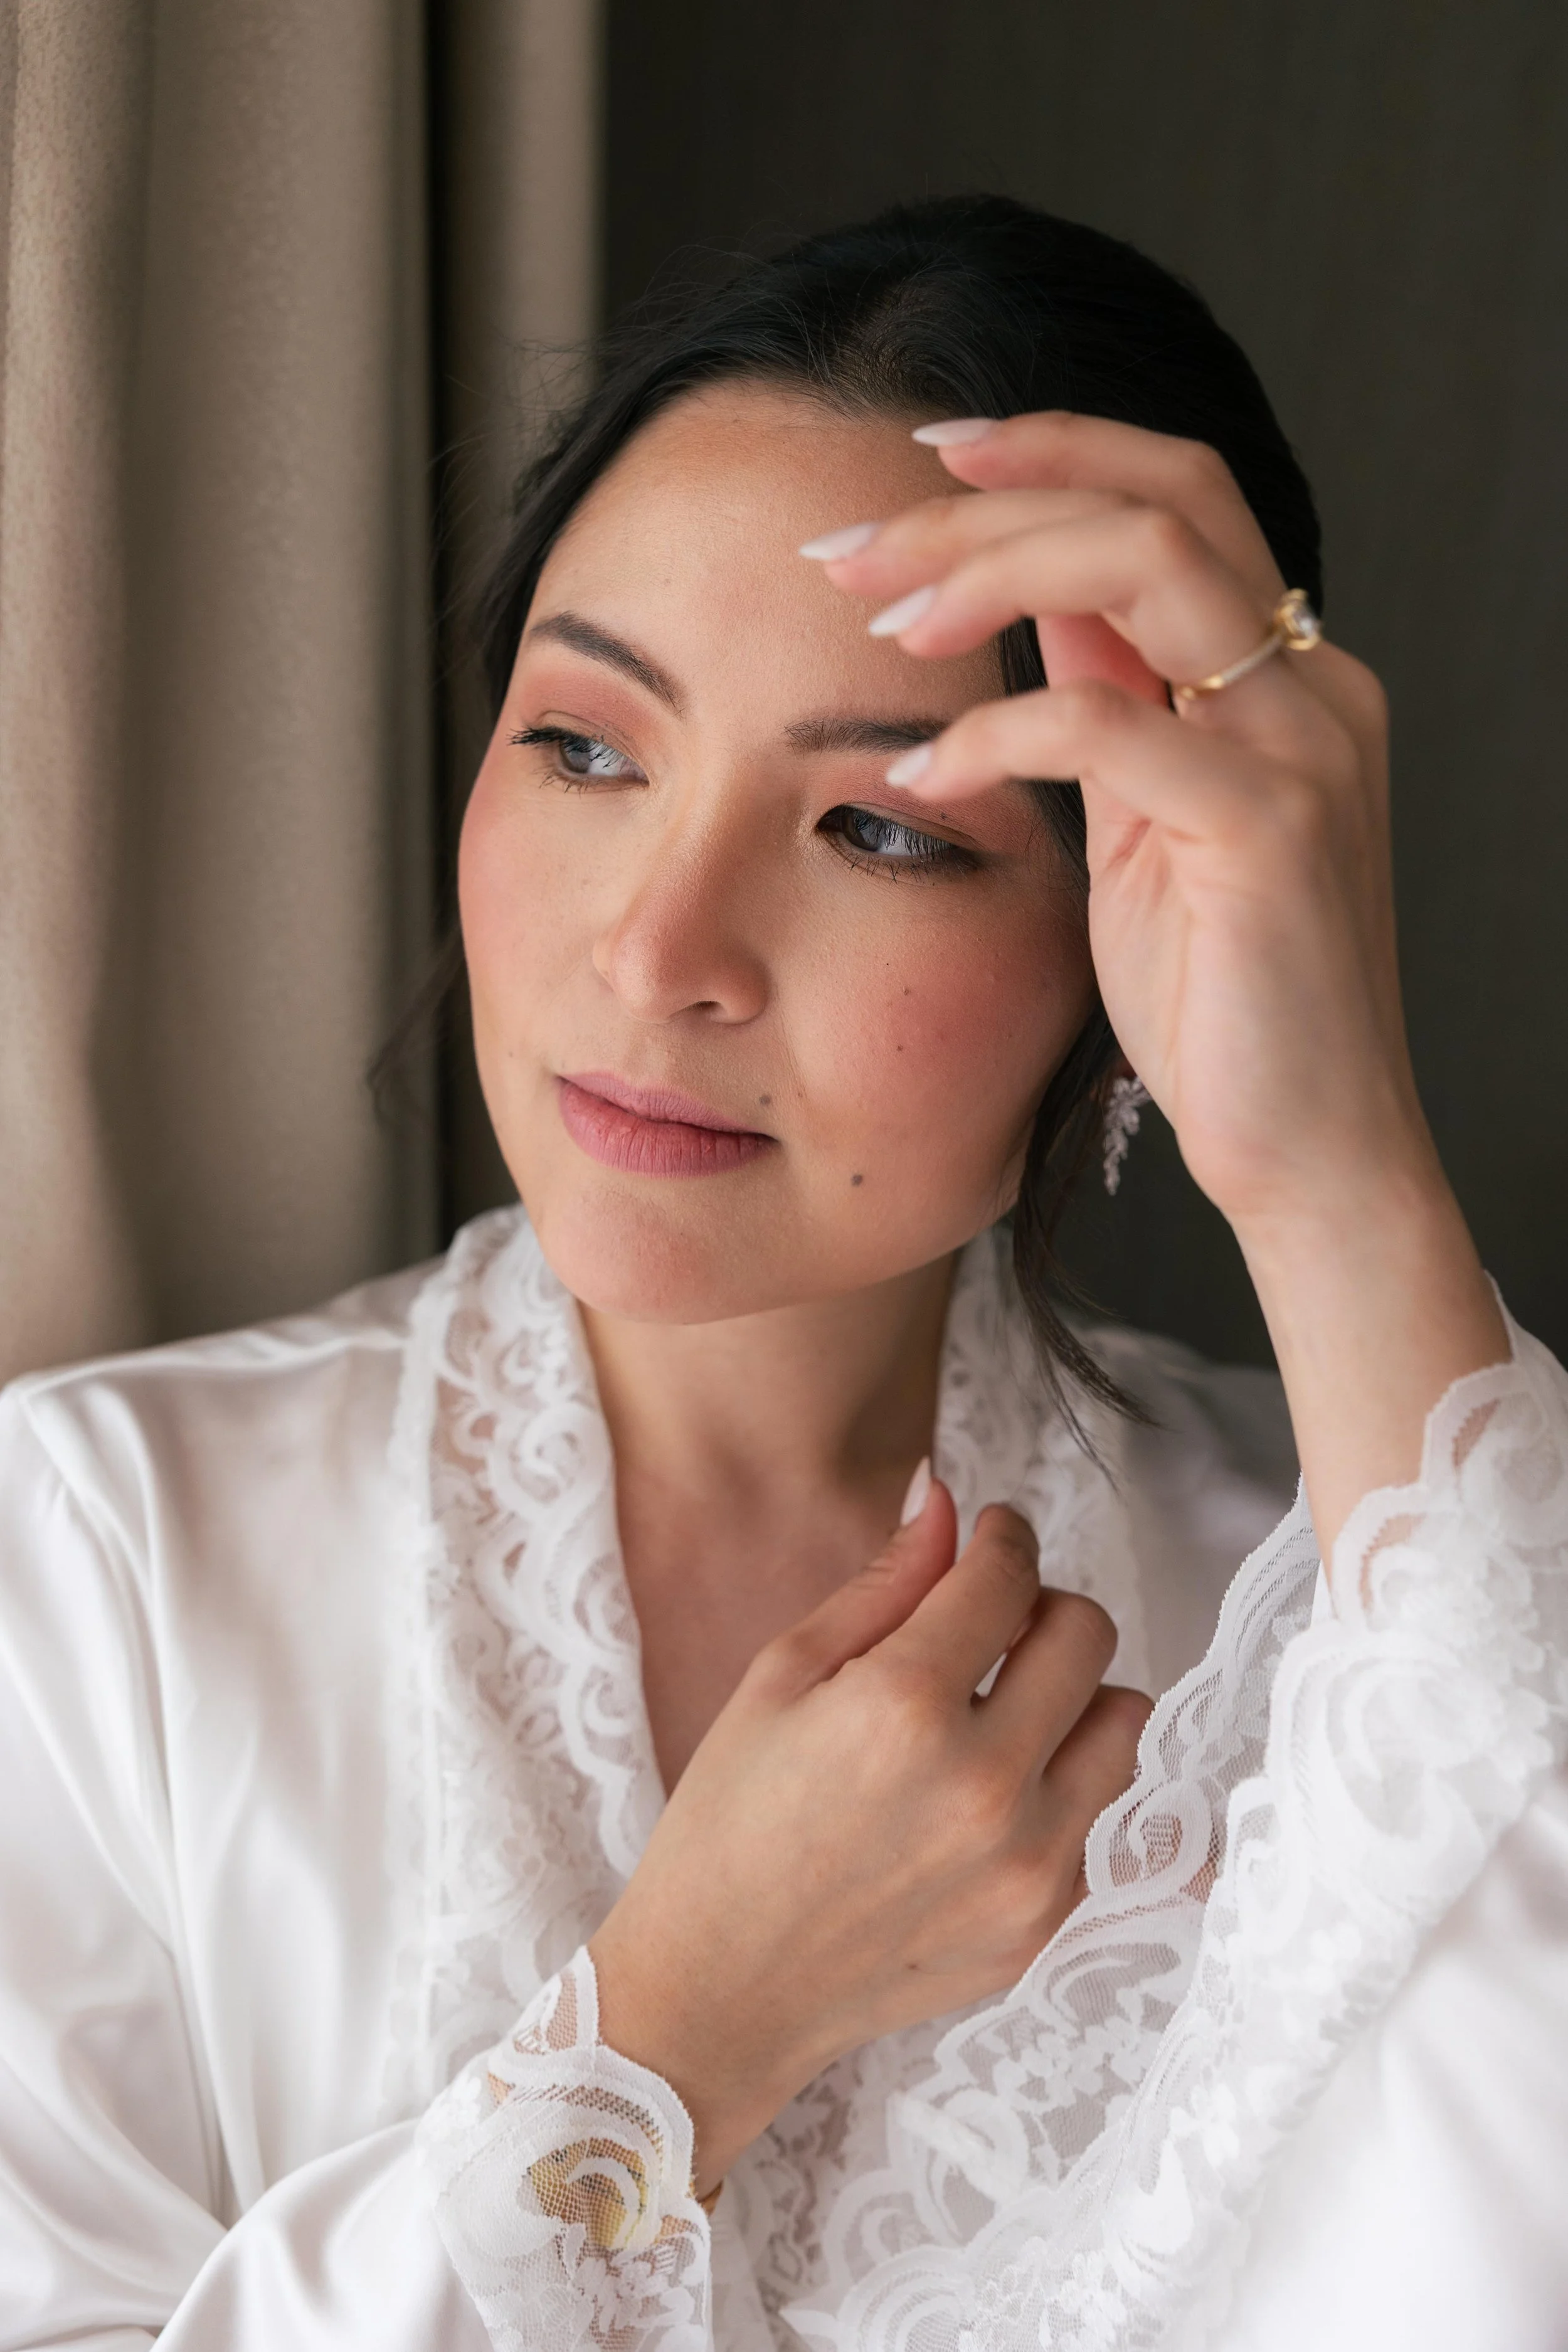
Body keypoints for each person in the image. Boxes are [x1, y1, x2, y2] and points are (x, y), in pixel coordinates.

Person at [1, 194, 1564, 2352]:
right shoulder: (91, 1567)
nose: (657, 954)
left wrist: (1334, 1174)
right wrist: (676, 2030)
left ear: (1117, 930)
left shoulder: (1345, 1615)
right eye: (584, 745)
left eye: (887, 829)